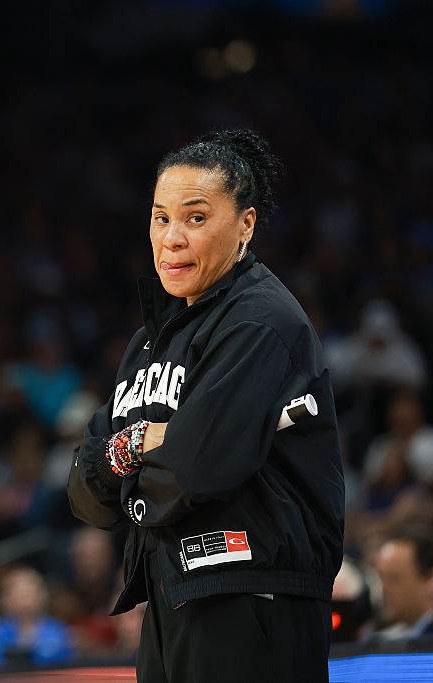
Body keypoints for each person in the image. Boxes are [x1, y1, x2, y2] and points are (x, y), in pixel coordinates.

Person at [67, 129, 345, 683]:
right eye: (160, 218)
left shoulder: (261, 321)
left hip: (253, 596)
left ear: (246, 224)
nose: (172, 239)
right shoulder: (149, 343)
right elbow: (84, 493)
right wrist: (141, 442)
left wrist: (135, 462)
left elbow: (193, 470)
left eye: (195, 218)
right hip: (171, 596)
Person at [366, 531, 433, 641]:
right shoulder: (378, 639)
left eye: (394, 578)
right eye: (381, 579)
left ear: (428, 579)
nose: (383, 590)